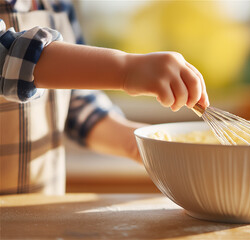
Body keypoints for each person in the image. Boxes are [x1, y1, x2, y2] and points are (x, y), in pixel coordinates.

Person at [0, 0, 209, 194]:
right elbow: (7, 57)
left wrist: (141, 146)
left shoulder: (59, 5)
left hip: (41, 208)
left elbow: (77, 106)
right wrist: (127, 69)